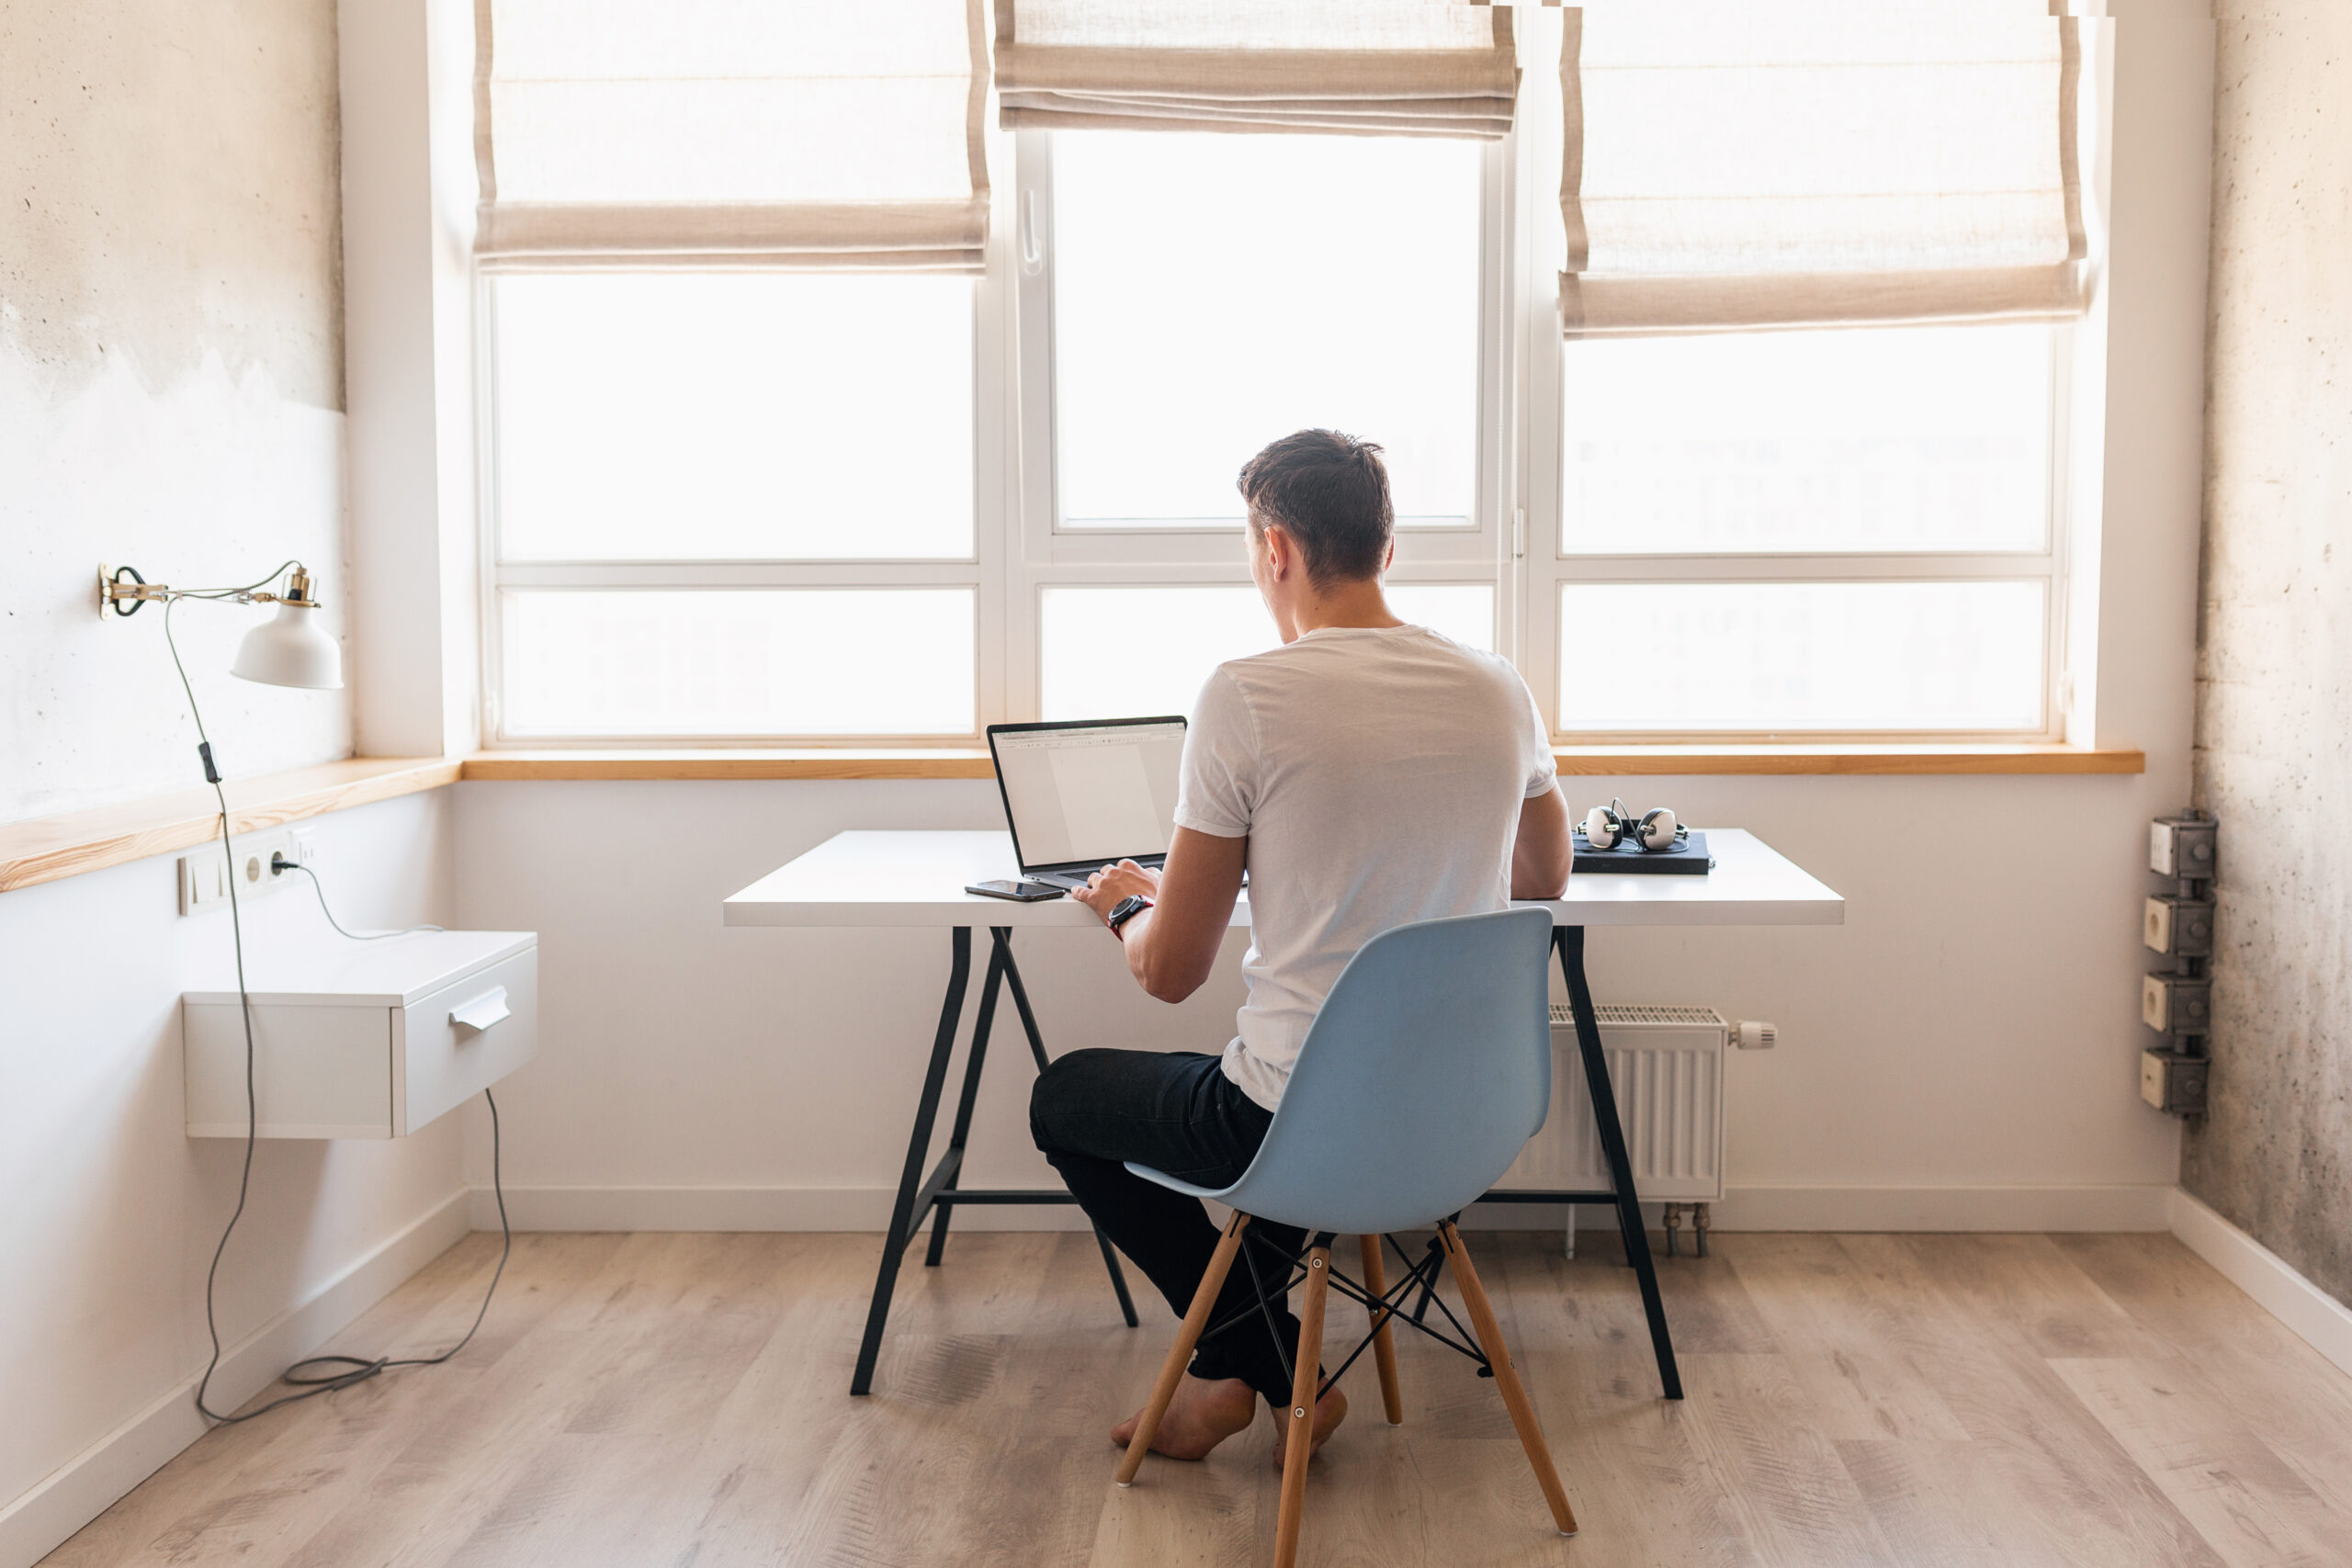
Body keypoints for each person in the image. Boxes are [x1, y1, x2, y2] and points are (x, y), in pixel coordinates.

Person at [1028, 428, 1574, 1467]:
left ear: (1275, 549)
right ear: (1387, 546)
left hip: (1295, 1121)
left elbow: (1170, 972)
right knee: (1296, 1121)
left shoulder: (1247, 695)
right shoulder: (1499, 685)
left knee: (1066, 1099)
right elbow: (1544, 878)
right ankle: (1236, 1375)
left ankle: (1273, 1375)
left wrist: (1123, 907)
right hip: (1461, 1119)